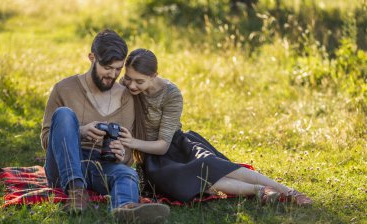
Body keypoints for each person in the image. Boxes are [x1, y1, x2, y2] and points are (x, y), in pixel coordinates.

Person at [118, 48, 313, 206]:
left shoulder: (171, 94)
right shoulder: (125, 86)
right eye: (129, 78)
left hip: (174, 144)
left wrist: (132, 141)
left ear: (154, 75)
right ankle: (259, 191)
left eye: (139, 81)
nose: (132, 86)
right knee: (196, 180)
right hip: (154, 159)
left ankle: (288, 191)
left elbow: (163, 145)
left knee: (214, 166)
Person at [40, 30, 170, 224]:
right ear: (92, 58)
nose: (113, 75)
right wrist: (80, 131)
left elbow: (126, 149)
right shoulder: (64, 89)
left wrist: (121, 152)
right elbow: (46, 140)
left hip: (102, 165)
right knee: (65, 115)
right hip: (64, 166)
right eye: (107, 67)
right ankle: (76, 193)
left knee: (128, 173)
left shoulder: (126, 96)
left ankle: (125, 209)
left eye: (118, 69)